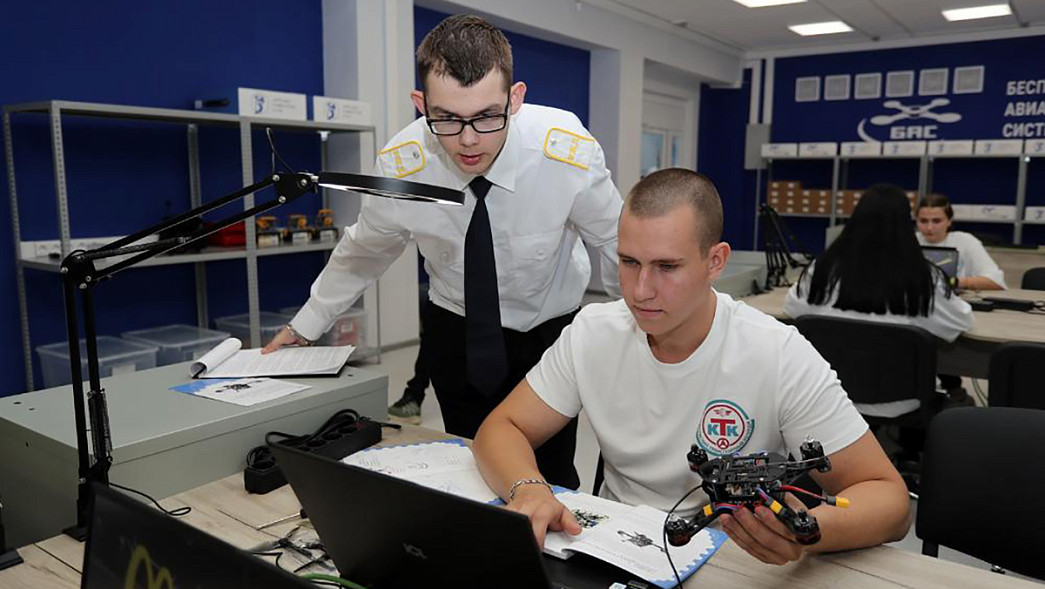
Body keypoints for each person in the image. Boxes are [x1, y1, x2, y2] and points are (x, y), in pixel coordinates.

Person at [473, 169, 911, 565]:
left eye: (667, 267)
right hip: (615, 548)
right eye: (629, 262)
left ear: (715, 262)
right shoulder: (592, 332)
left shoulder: (777, 353)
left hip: (735, 561)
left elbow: (889, 499)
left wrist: (808, 533)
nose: (641, 289)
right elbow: (502, 427)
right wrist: (527, 487)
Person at [263, 14, 622, 489]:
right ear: (421, 104)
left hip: (548, 334)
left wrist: (632, 333)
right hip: (459, 329)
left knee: (551, 476)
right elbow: (364, 250)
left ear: (515, 100)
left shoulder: (565, 154)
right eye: (448, 118)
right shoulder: (403, 166)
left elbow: (618, 243)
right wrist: (304, 327)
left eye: (486, 116)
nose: (468, 139)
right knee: (469, 471)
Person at [785, 184, 975, 419]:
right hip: (901, 399)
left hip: (829, 395)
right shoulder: (923, 276)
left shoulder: (822, 269)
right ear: (907, 224)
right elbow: (961, 321)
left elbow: (792, 308)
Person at [915, 193, 1006, 291]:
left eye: (937, 221)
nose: (929, 227)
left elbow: (995, 282)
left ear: (949, 221)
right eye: (923, 221)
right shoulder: (910, 240)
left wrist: (954, 282)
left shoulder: (966, 242)